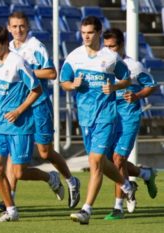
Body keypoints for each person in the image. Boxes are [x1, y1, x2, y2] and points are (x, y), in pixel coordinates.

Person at [0, 11, 81, 212]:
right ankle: (9, 200)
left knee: (44, 151)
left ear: (28, 26)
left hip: (38, 105)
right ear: (9, 27)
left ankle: (70, 180)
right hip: (18, 110)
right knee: (15, 158)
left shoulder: (35, 46)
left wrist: (23, 71)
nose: (18, 30)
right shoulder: (8, 46)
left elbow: (51, 72)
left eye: (21, 26)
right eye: (14, 26)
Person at [59, 16, 136, 225]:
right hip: (85, 118)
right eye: (83, 32)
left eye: (90, 32)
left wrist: (115, 87)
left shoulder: (110, 58)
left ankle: (86, 210)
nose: (86, 36)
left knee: (94, 162)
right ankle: (127, 186)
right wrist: (72, 85)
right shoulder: (74, 57)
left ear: (99, 33)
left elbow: (127, 79)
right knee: (102, 162)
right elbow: (62, 81)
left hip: (106, 116)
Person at [0, 26, 64, 222]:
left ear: (4, 44)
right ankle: (11, 210)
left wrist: (19, 110)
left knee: (18, 172)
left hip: (19, 125)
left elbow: (36, 90)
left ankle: (50, 177)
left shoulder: (18, 62)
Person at [102, 28, 158, 220]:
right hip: (109, 119)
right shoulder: (102, 65)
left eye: (113, 46)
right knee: (110, 162)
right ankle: (145, 174)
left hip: (128, 119)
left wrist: (137, 95)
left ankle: (118, 207)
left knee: (117, 160)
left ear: (121, 45)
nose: (110, 50)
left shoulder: (133, 66)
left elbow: (151, 85)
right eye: (106, 46)